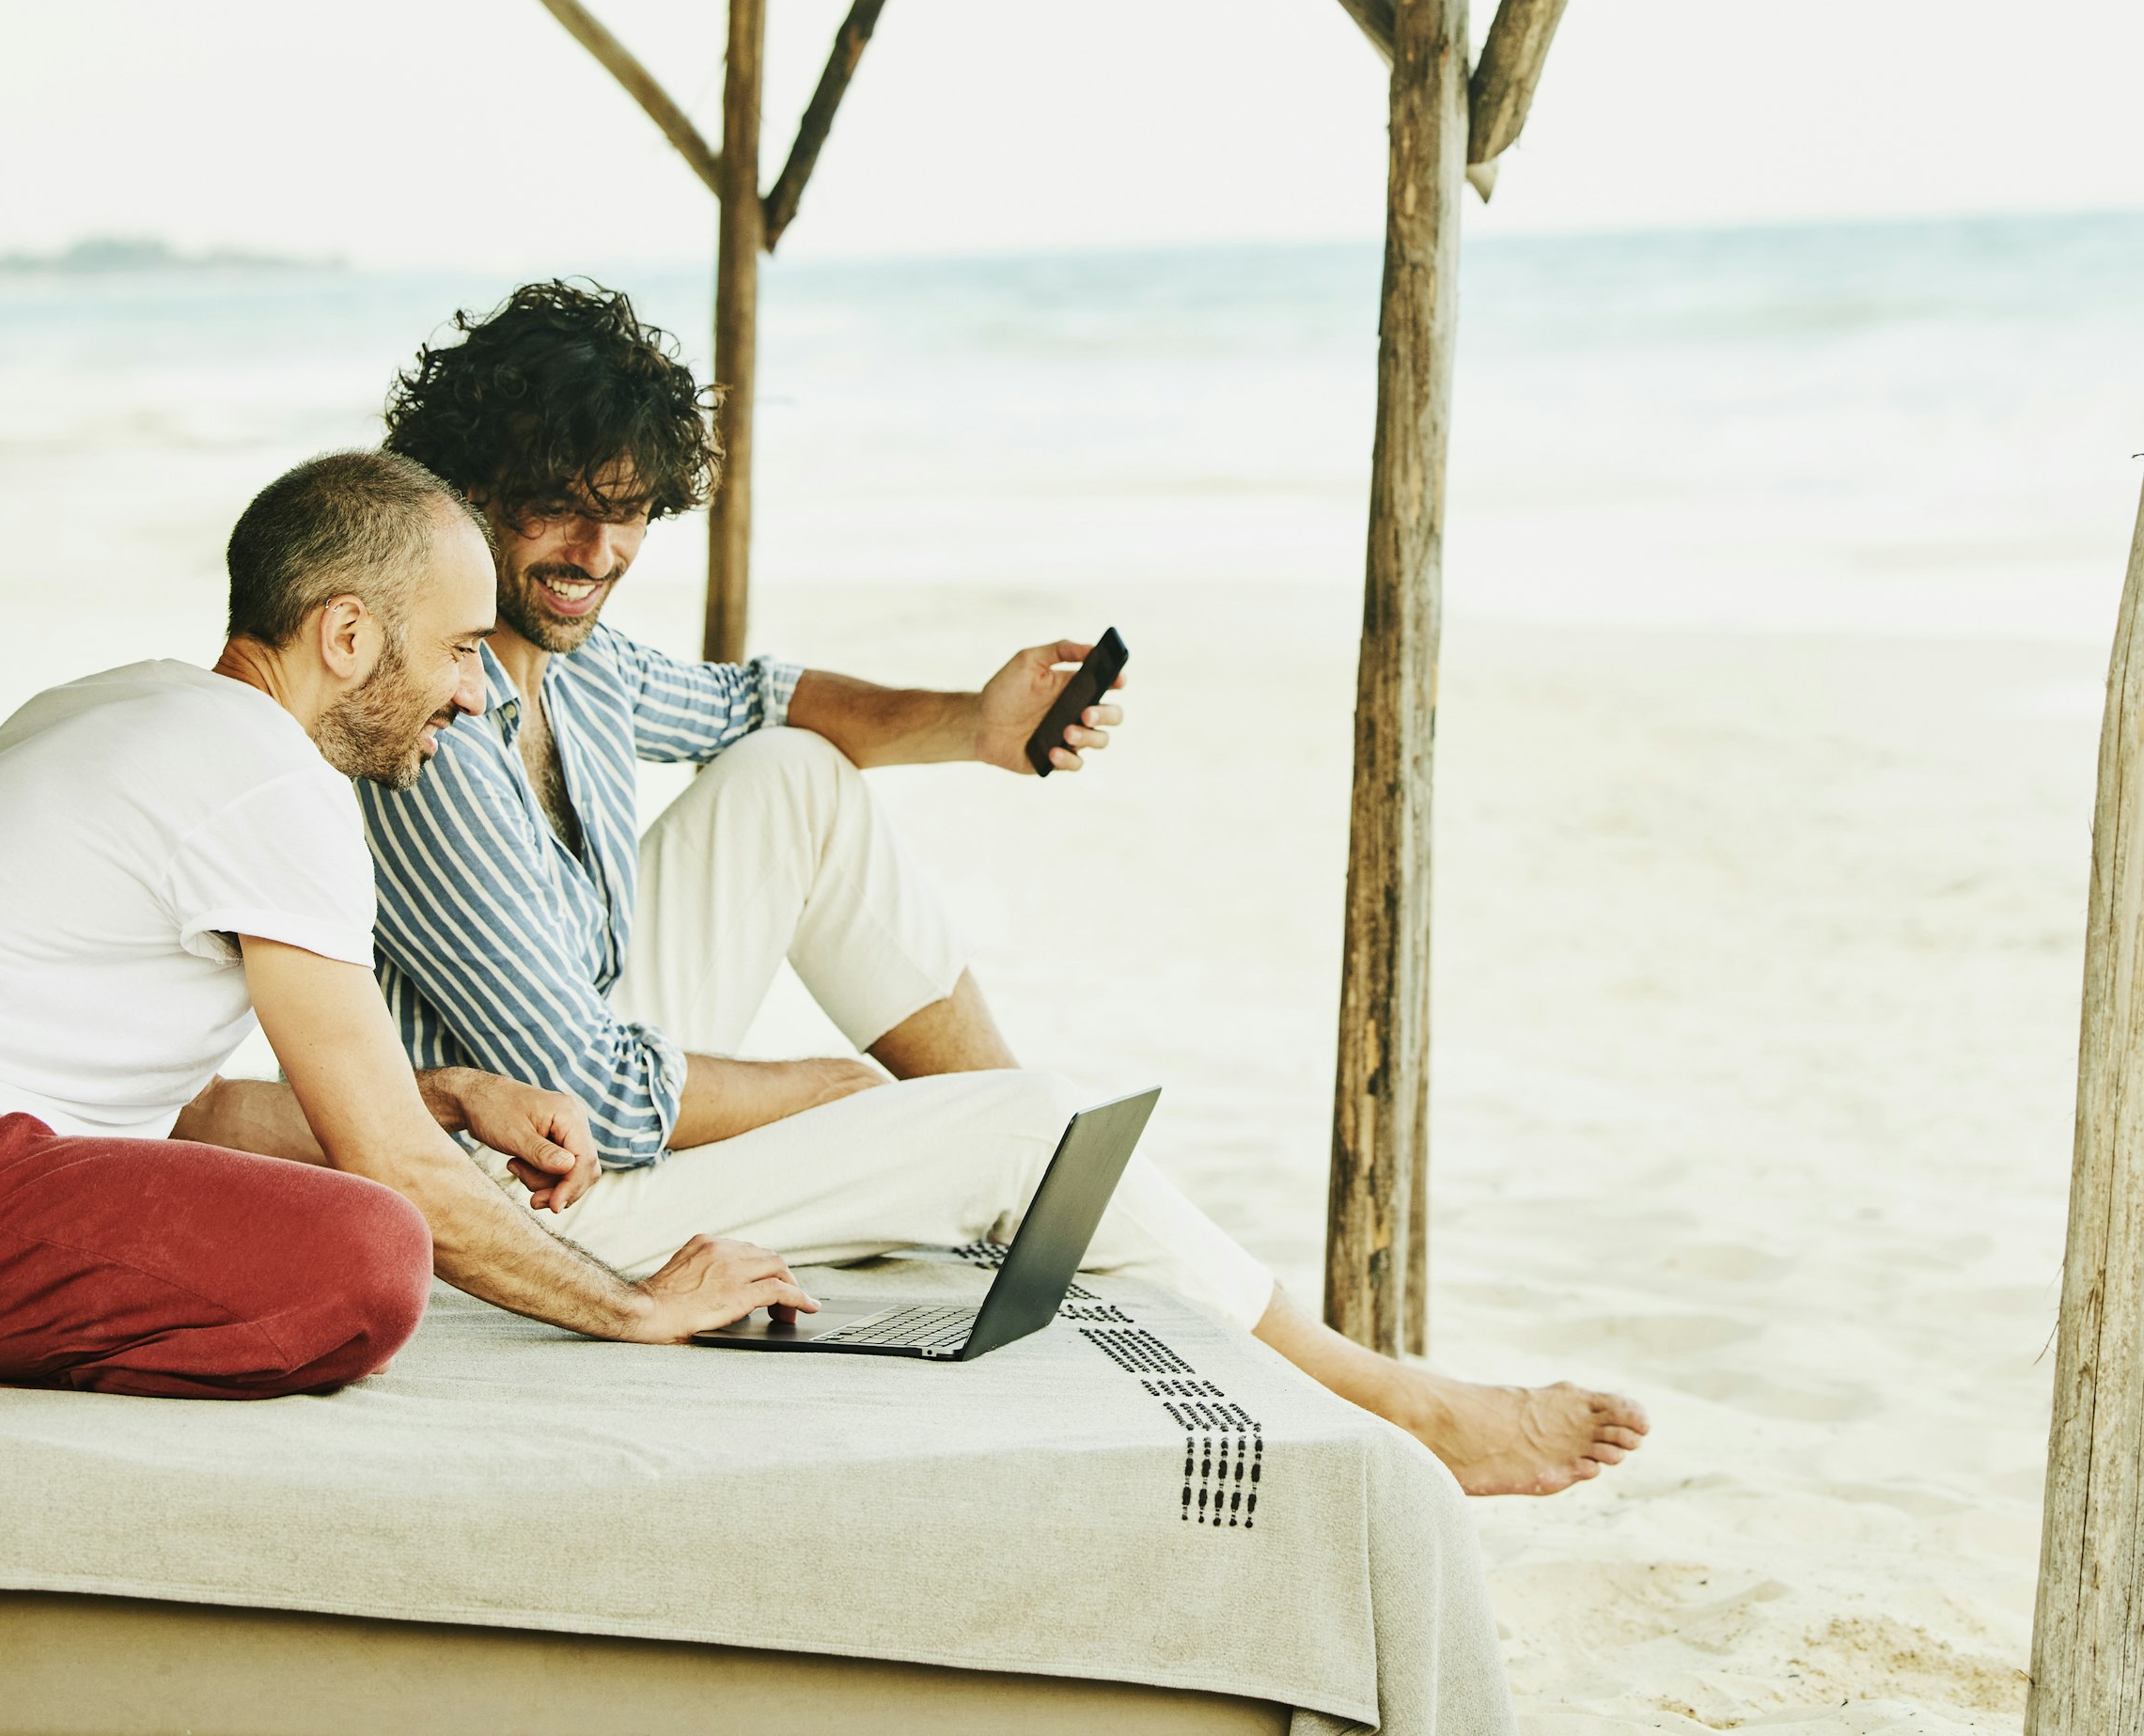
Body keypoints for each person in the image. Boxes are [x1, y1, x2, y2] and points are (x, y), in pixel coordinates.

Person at [364, 282, 1648, 1494]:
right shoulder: (434, 718)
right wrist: (831, 1094)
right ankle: (1392, 1398)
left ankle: (1010, 1174)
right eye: (558, 506)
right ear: (467, 493)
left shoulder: (567, 659)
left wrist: (979, 722)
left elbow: (761, 698)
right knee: (1010, 1116)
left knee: (789, 773)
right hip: (526, 1200)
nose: (599, 547)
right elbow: (589, 1094)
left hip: (580, 1104)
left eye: (631, 508)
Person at [0, 449, 810, 1400]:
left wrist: (446, 1096)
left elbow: (197, 1110)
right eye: (462, 647)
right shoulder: (272, 778)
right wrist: (635, 1306)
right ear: (351, 637)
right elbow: (396, 1172)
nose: (475, 695)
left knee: (331, 1222)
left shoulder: (113, 707)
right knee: (369, 1254)